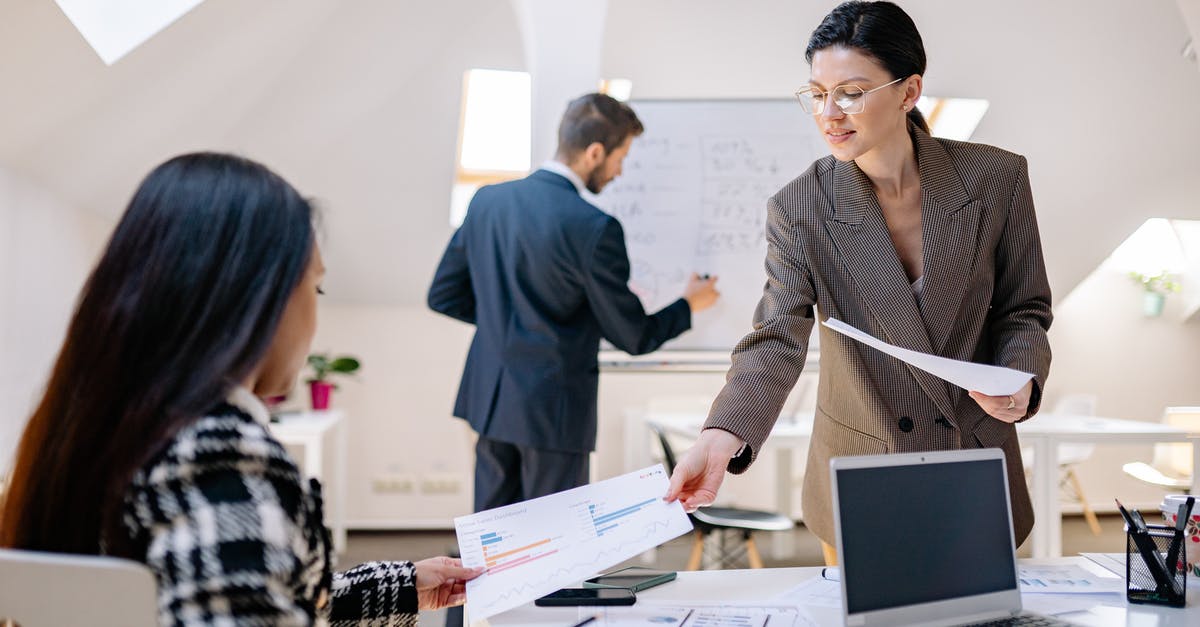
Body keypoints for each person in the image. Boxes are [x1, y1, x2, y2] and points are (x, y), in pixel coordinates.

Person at [0, 153, 481, 625]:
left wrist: (401, 586)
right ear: (258, 298)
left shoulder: (102, 423)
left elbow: (242, 589)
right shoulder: (217, 460)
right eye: (315, 289)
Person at [665, 0, 1052, 565]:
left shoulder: (995, 179)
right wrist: (720, 437)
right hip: (862, 470)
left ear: (908, 90)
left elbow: (1025, 309)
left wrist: (1021, 380)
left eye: (851, 91)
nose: (830, 113)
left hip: (974, 459)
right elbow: (777, 339)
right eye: (817, 94)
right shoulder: (800, 207)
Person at [429, 93, 721, 513]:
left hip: (489, 398)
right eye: (622, 157)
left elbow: (443, 295)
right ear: (595, 152)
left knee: (492, 539)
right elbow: (633, 336)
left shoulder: (487, 201)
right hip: (553, 408)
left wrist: (503, 317)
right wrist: (689, 305)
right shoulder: (594, 228)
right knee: (557, 544)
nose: (620, 172)